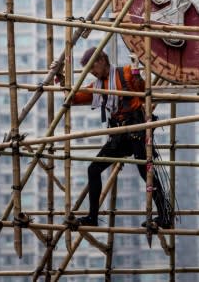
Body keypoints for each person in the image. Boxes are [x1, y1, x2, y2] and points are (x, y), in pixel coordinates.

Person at [51, 47, 172, 228]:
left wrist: (137, 72)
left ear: (101, 60)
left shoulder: (124, 73)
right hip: (119, 135)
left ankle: (164, 216)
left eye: (92, 67)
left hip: (137, 131)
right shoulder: (98, 86)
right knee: (94, 169)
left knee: (146, 171)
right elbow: (73, 98)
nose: (91, 72)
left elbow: (143, 89)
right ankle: (92, 217)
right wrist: (61, 78)